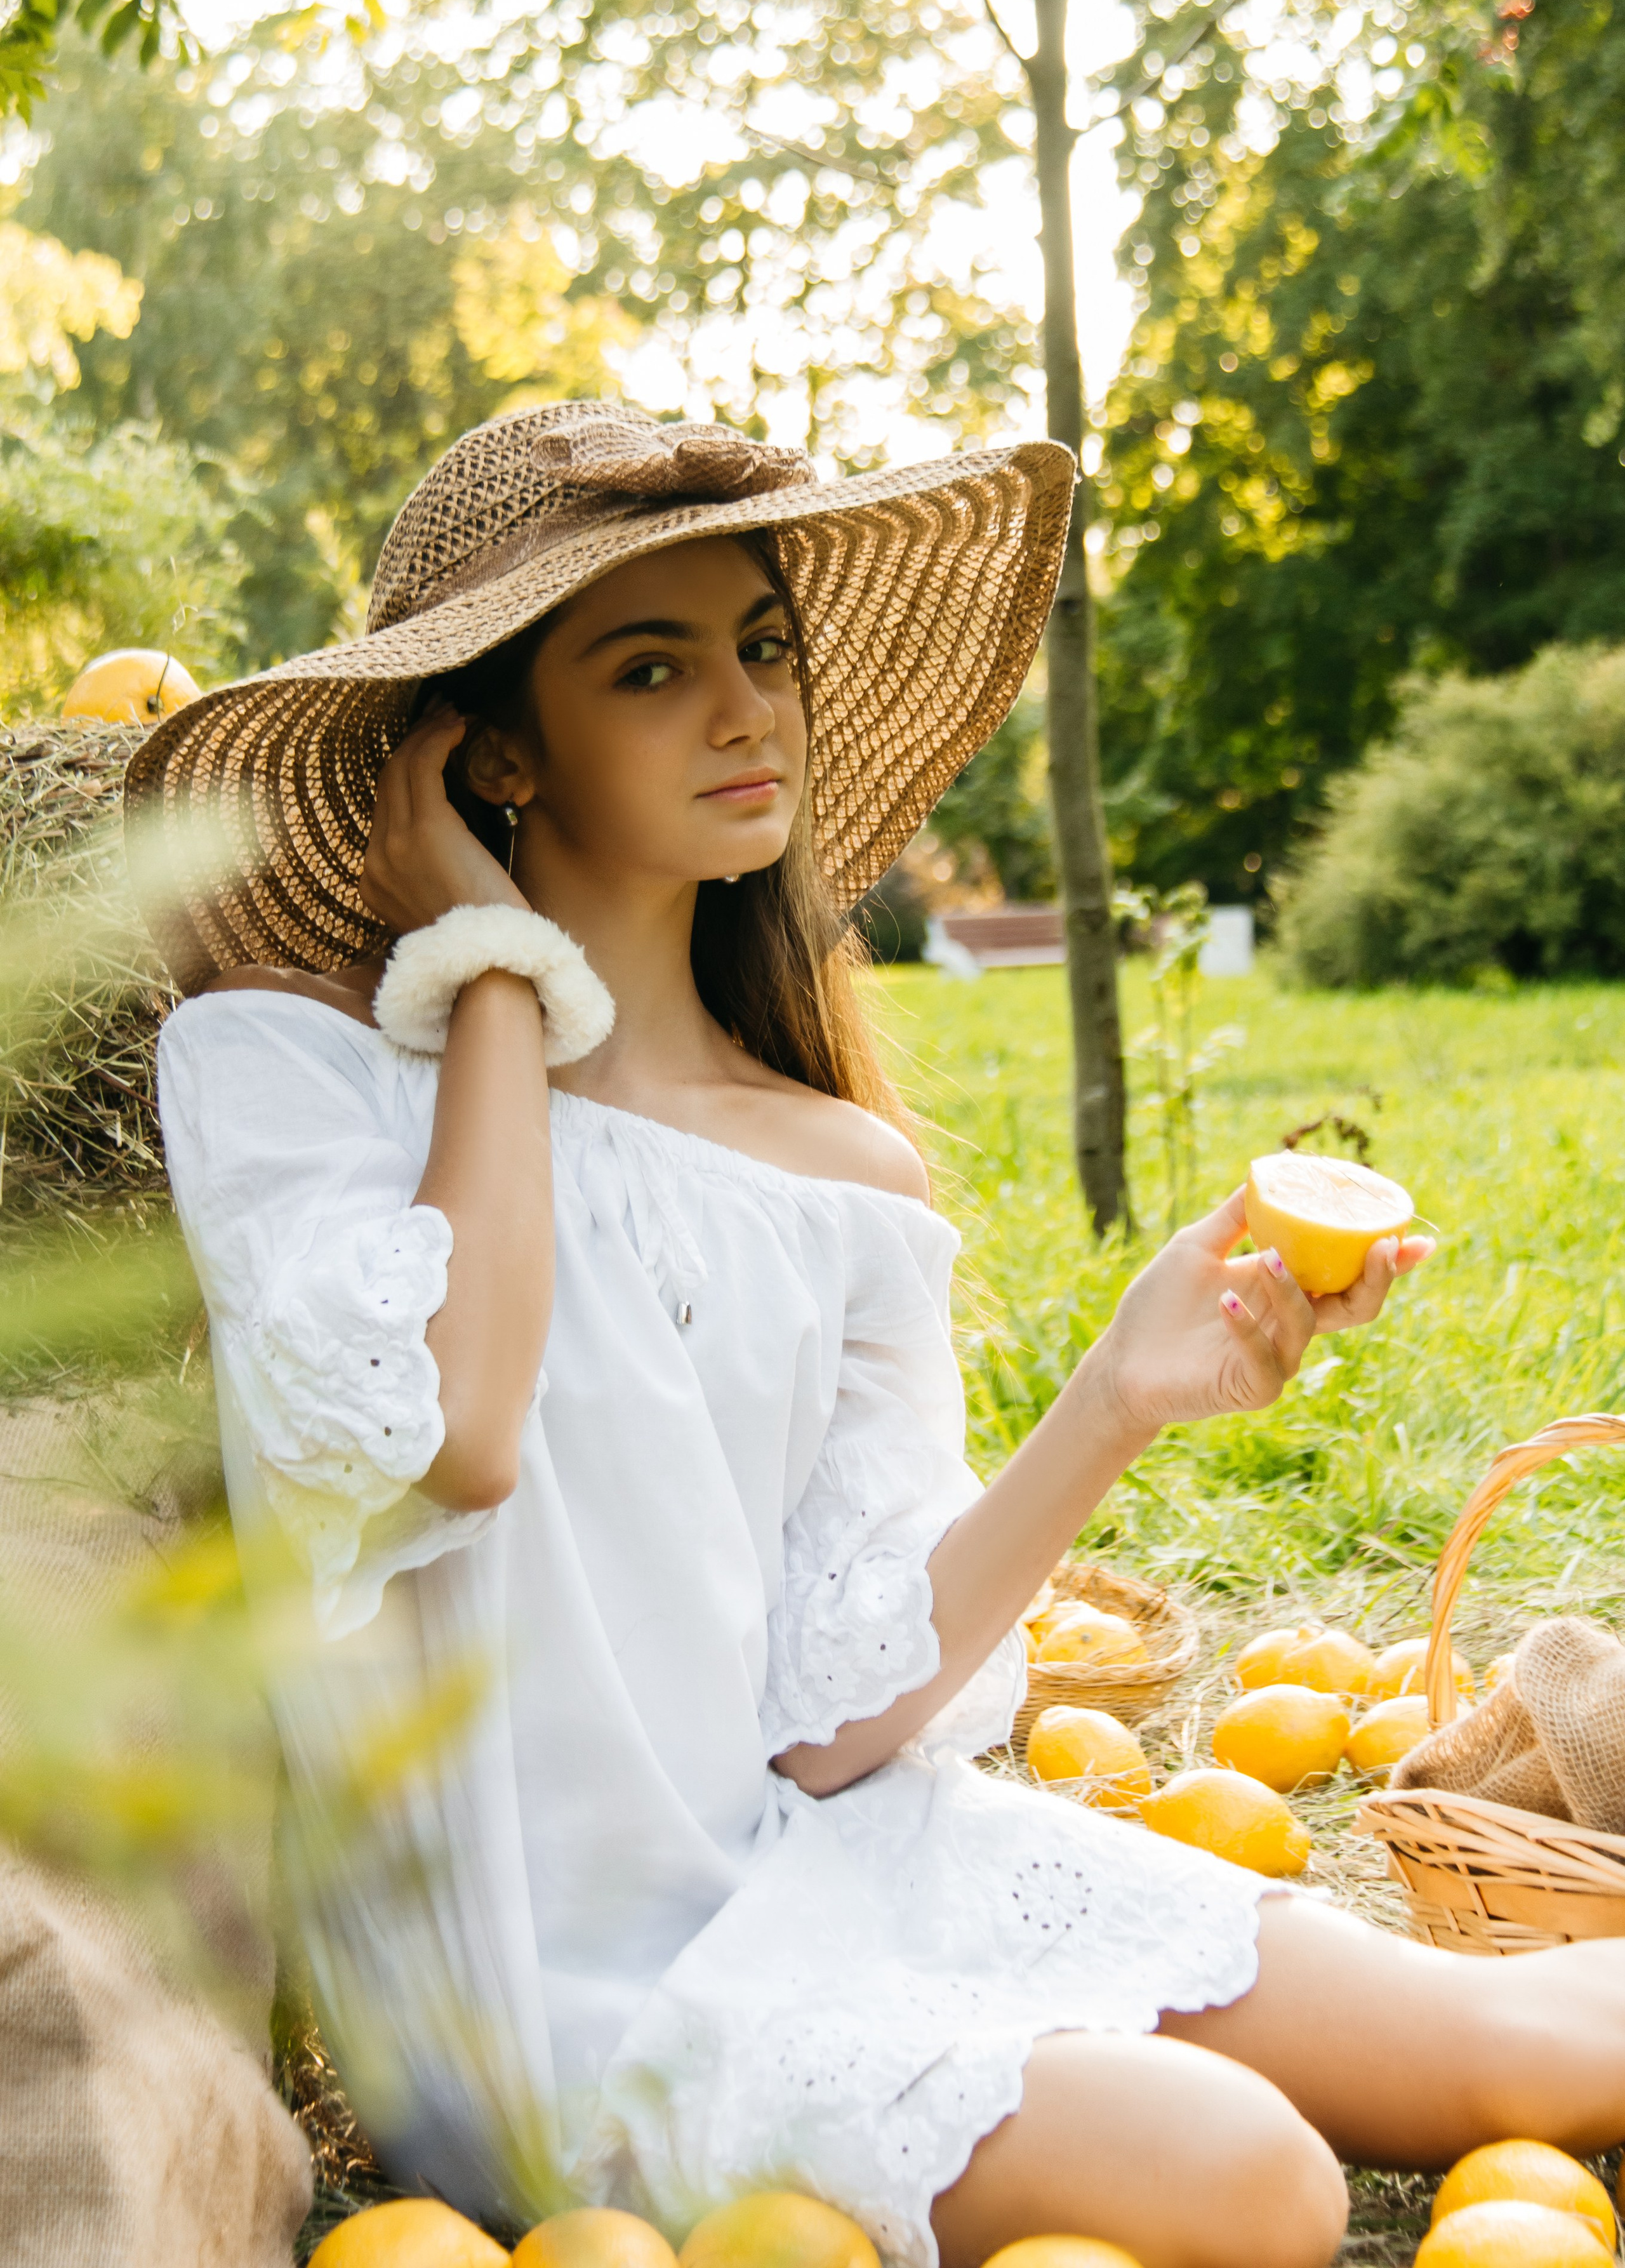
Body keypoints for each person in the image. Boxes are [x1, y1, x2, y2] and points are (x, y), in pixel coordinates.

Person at [135, 405, 1625, 2268]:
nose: (747, 710)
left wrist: (1121, 1397)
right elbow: (457, 1426)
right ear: (490, 748)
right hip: (585, 2009)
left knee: (1522, 2038)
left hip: (842, 1858)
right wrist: (496, 974)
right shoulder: (287, 1072)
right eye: (651, 667)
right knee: (1259, 2184)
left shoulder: (840, 1169)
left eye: (763, 647)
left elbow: (831, 1733)